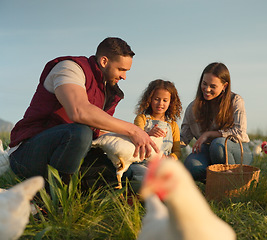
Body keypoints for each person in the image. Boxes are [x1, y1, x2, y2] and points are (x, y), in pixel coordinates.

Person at [8, 37, 159, 184]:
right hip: (28, 154)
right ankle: (56, 199)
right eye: (121, 69)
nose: (124, 76)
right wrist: (133, 130)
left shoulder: (107, 90)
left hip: (71, 155)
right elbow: (79, 111)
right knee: (79, 133)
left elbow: (98, 132)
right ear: (104, 61)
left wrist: (141, 139)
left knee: (121, 174)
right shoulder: (69, 68)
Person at [180, 62, 253, 182]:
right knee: (191, 166)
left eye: (213, 86)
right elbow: (184, 138)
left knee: (217, 145)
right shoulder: (193, 108)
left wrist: (208, 134)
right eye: (204, 84)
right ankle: (216, 183)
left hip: (236, 151)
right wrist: (162, 142)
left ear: (224, 86)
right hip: (208, 151)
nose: (207, 89)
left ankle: (234, 183)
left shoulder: (235, 101)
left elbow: (239, 132)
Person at [130, 79, 182, 180]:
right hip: (143, 163)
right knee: (141, 174)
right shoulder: (142, 119)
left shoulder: (173, 125)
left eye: (165, 100)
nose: (160, 103)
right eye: (157, 99)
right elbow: (136, 137)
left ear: (171, 102)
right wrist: (148, 134)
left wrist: (170, 158)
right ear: (149, 99)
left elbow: (177, 151)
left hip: (163, 165)